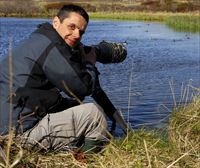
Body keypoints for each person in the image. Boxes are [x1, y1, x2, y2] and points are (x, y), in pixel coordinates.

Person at [0, 4, 129, 153]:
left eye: (81, 32)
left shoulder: (39, 39)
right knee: (94, 115)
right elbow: (83, 87)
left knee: (74, 105)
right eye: (72, 27)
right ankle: (88, 160)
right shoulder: (52, 48)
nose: (76, 35)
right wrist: (89, 62)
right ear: (56, 22)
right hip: (15, 136)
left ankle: (71, 147)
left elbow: (63, 94)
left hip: (9, 125)